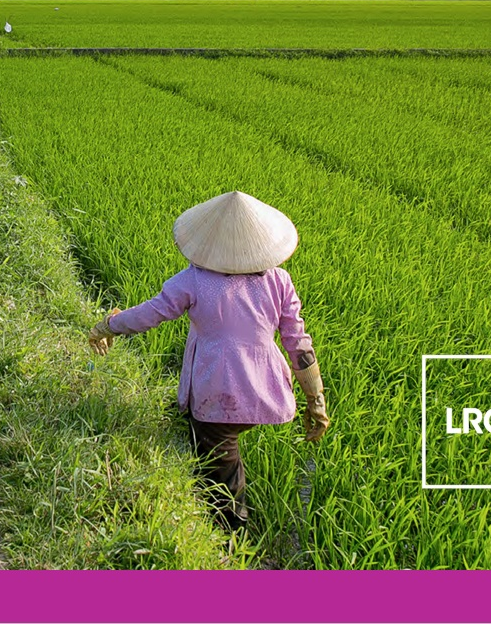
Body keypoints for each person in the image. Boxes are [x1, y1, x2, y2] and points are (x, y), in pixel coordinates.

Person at [86, 191, 329, 531]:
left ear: (210, 243)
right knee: (213, 442)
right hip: (265, 388)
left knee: (221, 467)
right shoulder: (278, 280)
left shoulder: (195, 279)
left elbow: (152, 313)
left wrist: (107, 325)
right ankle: (202, 489)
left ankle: (229, 537)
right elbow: (298, 344)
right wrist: (315, 399)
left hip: (219, 389)